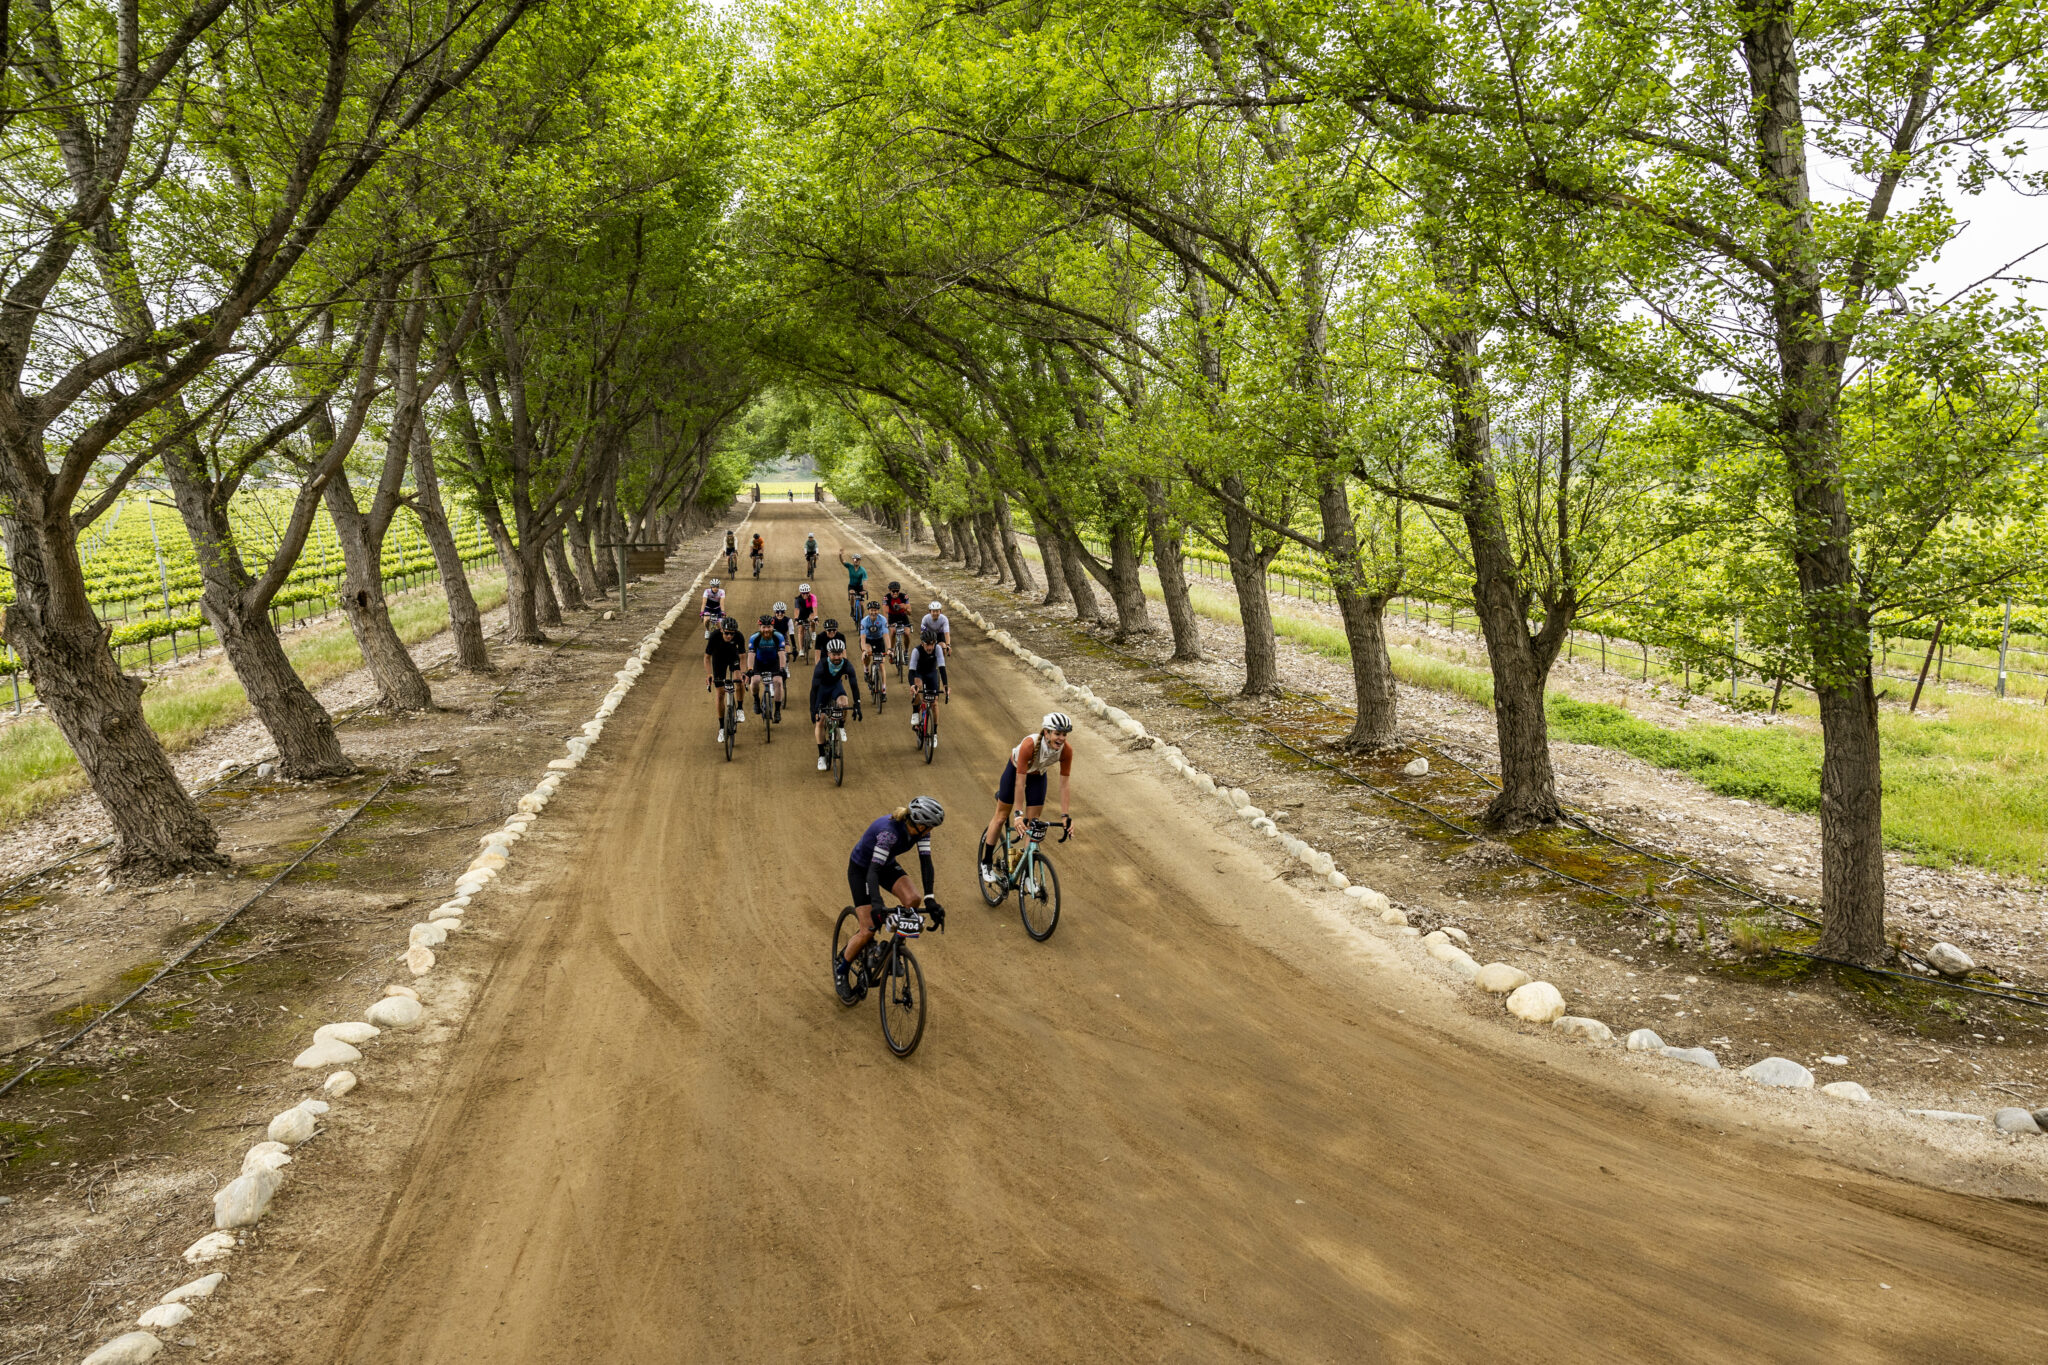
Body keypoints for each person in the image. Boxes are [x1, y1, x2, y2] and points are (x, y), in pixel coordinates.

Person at [836, 796, 946, 1001]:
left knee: (913, 899)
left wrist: (931, 900)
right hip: (863, 870)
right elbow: (872, 872)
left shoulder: (922, 832)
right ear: (921, 824)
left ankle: (895, 947)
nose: (932, 831)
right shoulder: (889, 834)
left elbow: (926, 864)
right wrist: (877, 903)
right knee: (868, 929)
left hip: (884, 865)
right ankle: (842, 968)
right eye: (931, 827)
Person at [980, 712, 1075, 882]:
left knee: (1034, 824)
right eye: (1057, 733)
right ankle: (986, 862)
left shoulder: (1066, 750)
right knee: (1001, 816)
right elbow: (1019, 783)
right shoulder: (1029, 745)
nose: (1061, 739)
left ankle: (1027, 872)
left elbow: (1064, 785)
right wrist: (1017, 814)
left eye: (1064, 734)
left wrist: (1065, 816)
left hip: (1038, 776)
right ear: (1046, 732)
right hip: (1015, 774)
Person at [809, 637, 861, 770]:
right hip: (822, 690)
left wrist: (858, 705)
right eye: (834, 654)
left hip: (836, 687)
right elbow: (814, 690)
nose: (837, 657)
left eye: (839, 654)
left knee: (844, 703)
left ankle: (841, 726)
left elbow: (854, 686)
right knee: (820, 720)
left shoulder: (847, 665)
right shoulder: (821, 666)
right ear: (828, 654)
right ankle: (821, 756)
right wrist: (813, 710)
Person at [703, 616, 747, 743]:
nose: (729, 636)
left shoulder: (739, 636)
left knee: (738, 681)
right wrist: (709, 674)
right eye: (727, 633)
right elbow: (707, 658)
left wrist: (743, 673)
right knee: (720, 693)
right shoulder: (714, 637)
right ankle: (722, 728)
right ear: (722, 630)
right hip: (719, 660)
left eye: (732, 634)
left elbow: (743, 657)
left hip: (733, 658)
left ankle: (739, 708)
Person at [745, 613, 787, 719]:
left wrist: (782, 668)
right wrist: (750, 669)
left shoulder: (779, 636)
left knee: (778, 682)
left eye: (769, 627)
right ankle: (756, 700)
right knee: (754, 681)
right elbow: (751, 654)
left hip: (774, 662)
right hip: (759, 662)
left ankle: (777, 711)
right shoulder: (754, 637)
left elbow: (782, 654)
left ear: (773, 627)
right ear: (760, 627)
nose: (766, 630)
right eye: (764, 627)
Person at [907, 627, 946, 734]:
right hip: (919, 673)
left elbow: (942, 668)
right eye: (927, 644)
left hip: (931, 674)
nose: (930, 647)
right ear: (922, 643)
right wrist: (912, 685)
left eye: (932, 644)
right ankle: (915, 712)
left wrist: (946, 685)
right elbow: (911, 671)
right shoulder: (916, 651)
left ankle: (935, 732)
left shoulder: (937, 649)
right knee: (917, 685)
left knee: (934, 703)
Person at [859, 601, 890, 700]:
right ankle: (866, 670)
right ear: (868, 611)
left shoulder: (883, 619)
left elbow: (886, 636)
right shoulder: (864, 621)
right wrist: (864, 650)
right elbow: (863, 638)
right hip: (867, 641)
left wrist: (889, 649)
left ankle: (884, 690)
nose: (874, 612)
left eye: (875, 610)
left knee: (881, 664)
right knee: (868, 653)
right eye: (872, 610)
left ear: (878, 611)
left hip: (879, 640)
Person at [883, 581, 913, 660]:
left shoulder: (904, 596)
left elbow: (910, 612)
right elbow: (885, 612)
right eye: (893, 591)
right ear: (890, 590)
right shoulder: (887, 597)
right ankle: (892, 651)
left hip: (903, 617)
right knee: (893, 632)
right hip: (892, 618)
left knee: (906, 633)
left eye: (897, 591)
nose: (895, 593)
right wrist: (887, 623)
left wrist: (905, 607)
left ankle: (906, 651)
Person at [839, 549, 868, 618]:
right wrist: (840, 555)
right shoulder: (850, 567)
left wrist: (864, 590)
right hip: (852, 586)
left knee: (861, 604)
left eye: (858, 560)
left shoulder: (863, 570)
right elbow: (843, 561)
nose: (856, 561)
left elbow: (865, 581)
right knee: (852, 595)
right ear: (853, 560)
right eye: (855, 559)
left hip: (860, 587)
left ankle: (862, 618)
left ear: (860, 561)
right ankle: (852, 609)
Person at [793, 583, 818, 657]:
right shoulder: (798, 599)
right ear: (801, 593)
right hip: (802, 613)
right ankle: (801, 650)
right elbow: (797, 609)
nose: (805, 595)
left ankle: (813, 632)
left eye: (807, 593)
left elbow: (814, 608)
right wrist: (796, 619)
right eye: (804, 593)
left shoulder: (813, 597)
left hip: (810, 611)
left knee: (812, 619)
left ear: (809, 592)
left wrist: (816, 617)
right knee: (800, 630)